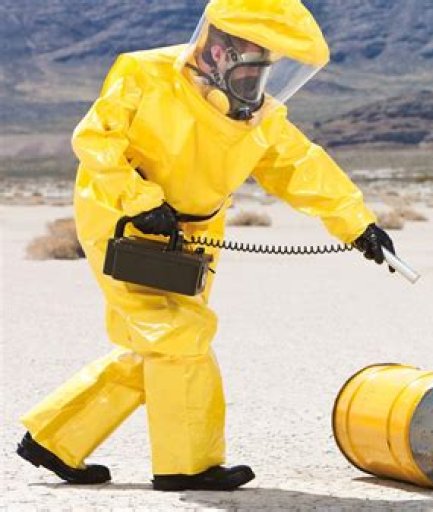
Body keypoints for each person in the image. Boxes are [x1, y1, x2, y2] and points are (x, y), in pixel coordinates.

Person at [17, 0, 396, 492]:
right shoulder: (144, 73)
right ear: (219, 50)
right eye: (253, 60)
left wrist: (359, 226)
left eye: (268, 64)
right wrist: (139, 199)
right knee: (179, 336)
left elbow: (301, 167)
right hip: (123, 222)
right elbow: (95, 140)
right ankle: (187, 466)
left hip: (194, 235)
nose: (259, 76)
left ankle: (55, 438)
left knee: (158, 347)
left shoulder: (256, 115)